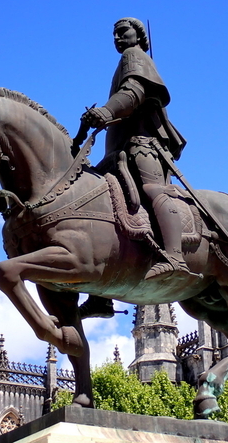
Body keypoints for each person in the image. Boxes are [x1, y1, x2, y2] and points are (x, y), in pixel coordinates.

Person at [81, 17, 192, 282]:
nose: (117, 38)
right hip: (117, 151)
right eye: (114, 35)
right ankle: (102, 289)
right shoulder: (126, 59)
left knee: (153, 190)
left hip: (142, 146)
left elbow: (134, 91)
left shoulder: (134, 56)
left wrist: (106, 111)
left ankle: (175, 257)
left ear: (138, 35)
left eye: (122, 32)